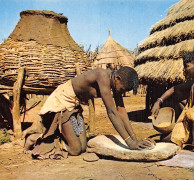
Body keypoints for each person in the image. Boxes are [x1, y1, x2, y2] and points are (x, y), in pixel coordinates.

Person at [25, 66, 154, 159]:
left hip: (74, 106)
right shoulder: (102, 76)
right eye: (122, 89)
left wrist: (135, 139)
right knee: (75, 150)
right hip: (62, 101)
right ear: (117, 78)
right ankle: (36, 138)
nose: (122, 92)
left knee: (82, 147)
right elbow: (112, 112)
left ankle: (62, 135)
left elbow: (121, 110)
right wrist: (130, 143)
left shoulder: (114, 82)